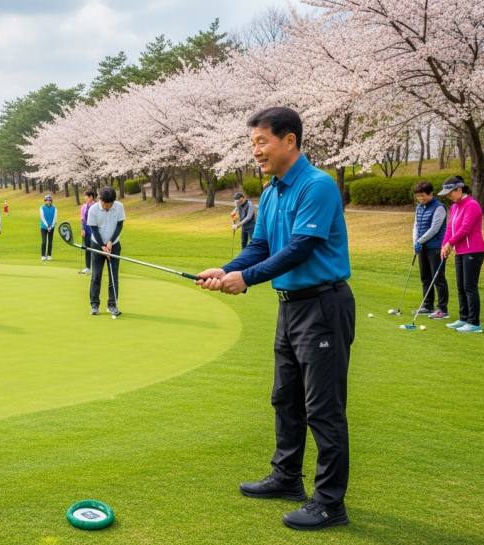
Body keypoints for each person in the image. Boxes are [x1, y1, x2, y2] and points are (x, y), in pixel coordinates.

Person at [198, 107, 354, 531]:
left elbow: (300, 248)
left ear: (290, 140)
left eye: (262, 142)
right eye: (253, 144)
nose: (256, 151)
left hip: (323, 305)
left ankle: (329, 503)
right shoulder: (272, 192)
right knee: (285, 397)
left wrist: (245, 280)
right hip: (291, 306)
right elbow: (262, 245)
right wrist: (227, 268)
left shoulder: (317, 186)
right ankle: (287, 477)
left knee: (323, 409)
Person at [439, 176, 484, 333]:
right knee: (460, 286)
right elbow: (449, 228)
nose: (448, 196)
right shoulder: (454, 206)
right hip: (460, 251)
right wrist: (443, 246)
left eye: (450, 193)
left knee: (469, 286)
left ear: (459, 189)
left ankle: (474, 323)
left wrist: (450, 243)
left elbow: (465, 229)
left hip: (474, 250)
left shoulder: (472, 205)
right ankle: (463, 318)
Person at [411, 181, 449, 318]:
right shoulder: (419, 207)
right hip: (422, 247)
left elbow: (435, 228)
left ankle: (442, 309)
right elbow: (415, 225)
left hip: (436, 247)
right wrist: (415, 242)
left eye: (422, 196)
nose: (420, 199)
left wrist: (420, 241)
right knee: (425, 277)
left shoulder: (439, 207)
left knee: (438, 278)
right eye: (418, 196)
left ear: (431, 193)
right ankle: (427, 305)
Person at [87, 187, 125, 316]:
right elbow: (94, 228)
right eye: (105, 203)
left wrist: (110, 242)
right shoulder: (93, 209)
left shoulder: (119, 206)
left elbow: (120, 225)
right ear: (100, 200)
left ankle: (112, 305)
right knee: (96, 275)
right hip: (97, 245)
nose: (107, 206)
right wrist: (103, 245)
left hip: (114, 245)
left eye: (110, 204)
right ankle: (94, 305)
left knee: (113, 277)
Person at [79, 189, 97, 274]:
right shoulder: (84, 206)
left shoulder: (97, 206)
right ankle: (88, 267)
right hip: (86, 230)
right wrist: (82, 229)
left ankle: (95, 268)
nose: (85, 198)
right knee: (87, 248)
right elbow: (82, 219)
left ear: (91, 197)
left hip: (94, 230)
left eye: (86, 196)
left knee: (94, 249)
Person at [39, 194, 57, 261]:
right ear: (45, 201)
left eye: (49, 200)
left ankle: (49, 255)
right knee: (44, 241)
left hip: (52, 227)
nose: (48, 201)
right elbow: (42, 217)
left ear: (51, 201)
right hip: (43, 227)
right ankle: (43, 255)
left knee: (50, 241)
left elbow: (55, 218)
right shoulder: (42, 208)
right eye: (47, 200)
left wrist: (51, 226)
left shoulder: (54, 208)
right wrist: (47, 226)